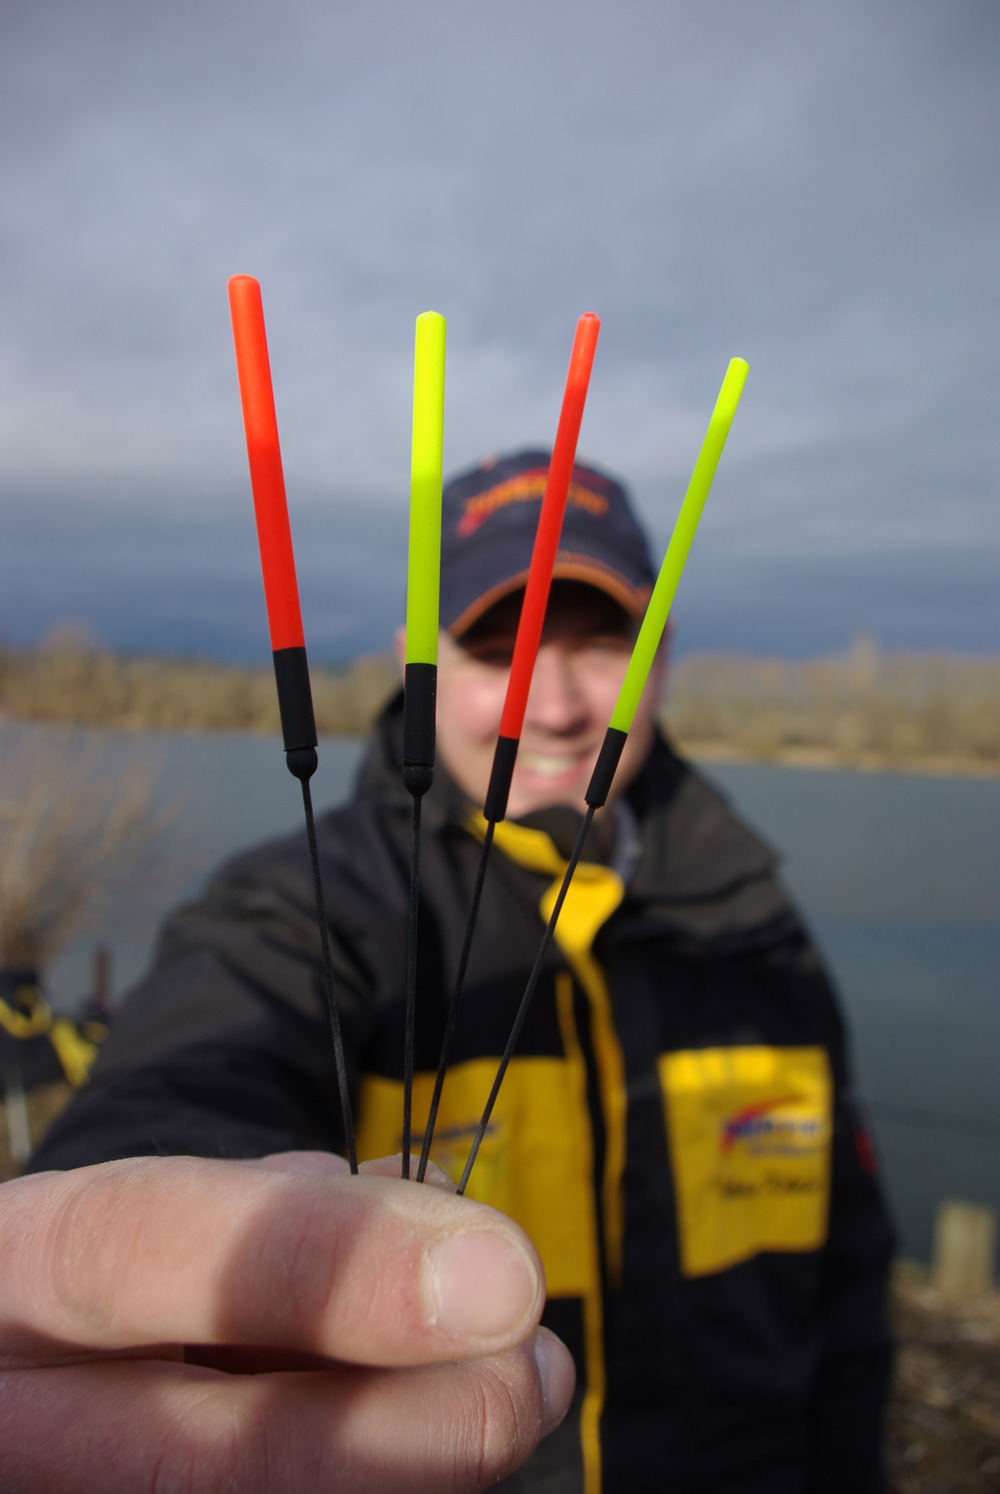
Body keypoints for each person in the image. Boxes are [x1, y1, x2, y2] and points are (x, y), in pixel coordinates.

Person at [8, 449, 894, 1492]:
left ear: (659, 660)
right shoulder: (299, 910)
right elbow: (183, 1084)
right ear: (414, 662)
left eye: (602, 641)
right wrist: (153, 1251)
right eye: (496, 649)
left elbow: (849, 1289)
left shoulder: (754, 922)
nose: (554, 704)